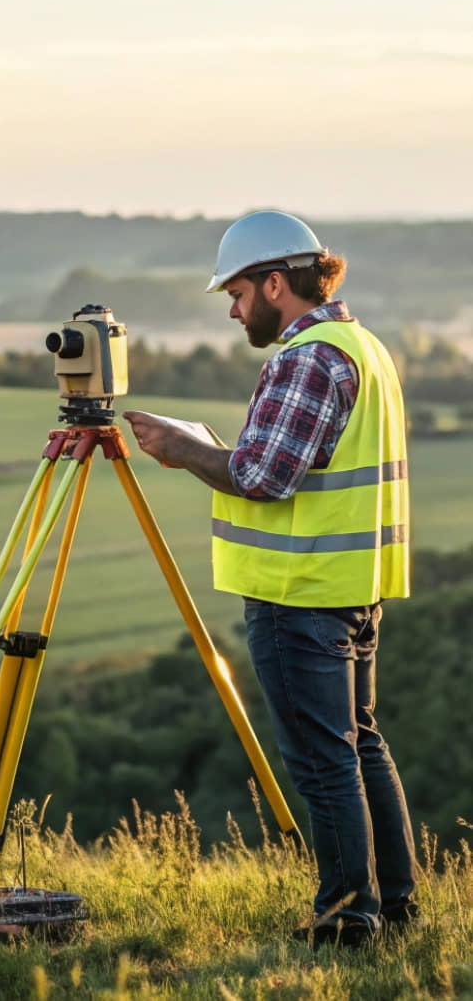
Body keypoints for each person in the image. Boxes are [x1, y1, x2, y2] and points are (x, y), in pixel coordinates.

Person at [123, 209, 417, 948]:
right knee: (360, 746)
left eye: (237, 292)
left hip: (299, 597)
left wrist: (182, 449)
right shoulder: (363, 346)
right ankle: (397, 905)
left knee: (325, 761)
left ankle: (348, 922)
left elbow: (262, 476)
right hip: (350, 586)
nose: (232, 308)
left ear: (275, 283)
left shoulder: (307, 357)